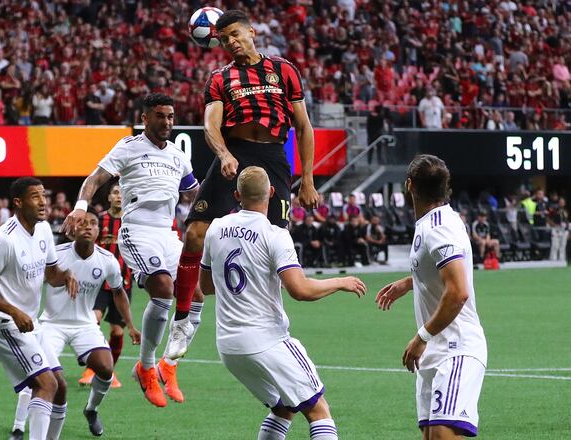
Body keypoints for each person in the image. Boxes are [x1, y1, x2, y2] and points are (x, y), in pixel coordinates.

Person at [166, 9, 321, 381]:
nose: (231, 42)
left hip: (273, 159)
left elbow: (303, 125)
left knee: (275, 244)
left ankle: (273, 324)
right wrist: (223, 155)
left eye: (235, 34)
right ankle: (185, 318)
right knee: (195, 233)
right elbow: (210, 124)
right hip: (233, 153)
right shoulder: (220, 78)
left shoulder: (283, 69)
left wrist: (309, 180)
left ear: (252, 31)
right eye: (223, 39)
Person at [199, 166, 366, 440]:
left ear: (237, 195)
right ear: (272, 193)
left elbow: (205, 287)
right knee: (318, 410)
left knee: (284, 408)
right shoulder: (275, 234)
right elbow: (299, 290)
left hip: (229, 346)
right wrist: (340, 282)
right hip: (266, 339)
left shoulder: (216, 228)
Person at [63, 93, 199, 407]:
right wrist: (80, 207)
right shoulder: (128, 147)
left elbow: (194, 192)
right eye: (160, 116)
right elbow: (95, 178)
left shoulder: (178, 155)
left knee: (197, 294)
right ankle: (147, 367)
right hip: (137, 231)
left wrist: (226, 192)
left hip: (167, 234)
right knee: (164, 288)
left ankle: (169, 365)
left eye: (170, 116)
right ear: (146, 117)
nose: (167, 122)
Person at [376, 155, 487, 439]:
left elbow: (458, 291)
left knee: (441, 435)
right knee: (430, 436)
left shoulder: (439, 228)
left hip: (456, 347)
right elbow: (442, 272)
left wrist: (421, 337)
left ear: (409, 185)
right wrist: (410, 281)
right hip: (435, 350)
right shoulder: (437, 220)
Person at [9, 211, 140, 439]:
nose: (88, 227)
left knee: (106, 369)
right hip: (51, 324)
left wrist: (130, 325)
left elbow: (118, 293)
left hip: (85, 325)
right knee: (39, 374)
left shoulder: (107, 261)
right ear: (73, 230)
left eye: (93, 224)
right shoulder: (55, 255)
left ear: (99, 231)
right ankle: (19, 427)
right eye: (82, 223)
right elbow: (30, 281)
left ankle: (91, 410)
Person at [0, 177, 77, 440]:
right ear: (18, 203)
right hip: (3, 324)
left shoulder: (43, 230)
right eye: (35, 196)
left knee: (60, 387)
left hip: (29, 322)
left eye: (44, 195)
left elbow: (51, 274)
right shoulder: (3, 240)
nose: (43, 202)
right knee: (46, 384)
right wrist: (13, 311)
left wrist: (65, 276)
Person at [79, 183, 132, 388]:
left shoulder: (132, 222)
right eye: (116, 192)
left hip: (123, 283)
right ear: (109, 197)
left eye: (123, 193)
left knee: (117, 333)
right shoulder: (99, 220)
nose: (120, 196)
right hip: (99, 283)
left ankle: (109, 371)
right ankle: (91, 368)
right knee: (93, 322)